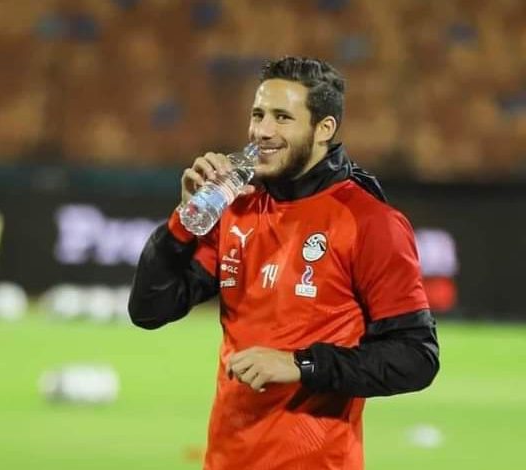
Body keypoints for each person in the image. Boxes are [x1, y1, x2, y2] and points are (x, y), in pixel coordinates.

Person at [128, 56, 440, 470]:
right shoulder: (236, 208)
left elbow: (416, 357)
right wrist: (185, 219)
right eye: (258, 114)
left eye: (282, 117)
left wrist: (300, 364)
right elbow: (150, 310)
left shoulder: (369, 222)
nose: (262, 131)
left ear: (323, 129)